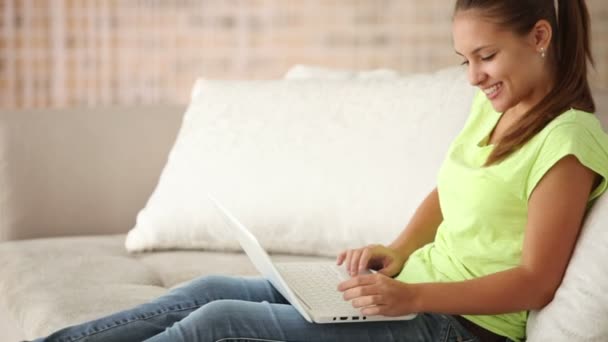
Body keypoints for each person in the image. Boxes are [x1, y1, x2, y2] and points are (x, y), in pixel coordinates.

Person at [32, 0, 608, 341]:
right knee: (208, 288)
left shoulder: (568, 138)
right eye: (466, 60)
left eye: (487, 57)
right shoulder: (497, 110)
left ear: (539, 37)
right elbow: (448, 190)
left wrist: (413, 298)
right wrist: (399, 250)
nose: (474, 77)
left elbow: (537, 280)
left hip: (458, 328)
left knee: (221, 322)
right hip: (413, 292)